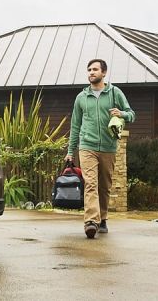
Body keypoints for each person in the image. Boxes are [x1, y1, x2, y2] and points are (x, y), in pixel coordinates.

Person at [65, 58, 135, 239]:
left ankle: (102, 218)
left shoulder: (114, 93)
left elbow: (131, 114)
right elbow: (75, 126)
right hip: (87, 146)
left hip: (108, 147)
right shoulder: (81, 97)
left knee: (104, 186)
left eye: (95, 69)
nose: (91, 72)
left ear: (104, 73)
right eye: (89, 70)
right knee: (91, 184)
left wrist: (122, 114)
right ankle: (91, 222)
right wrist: (70, 151)